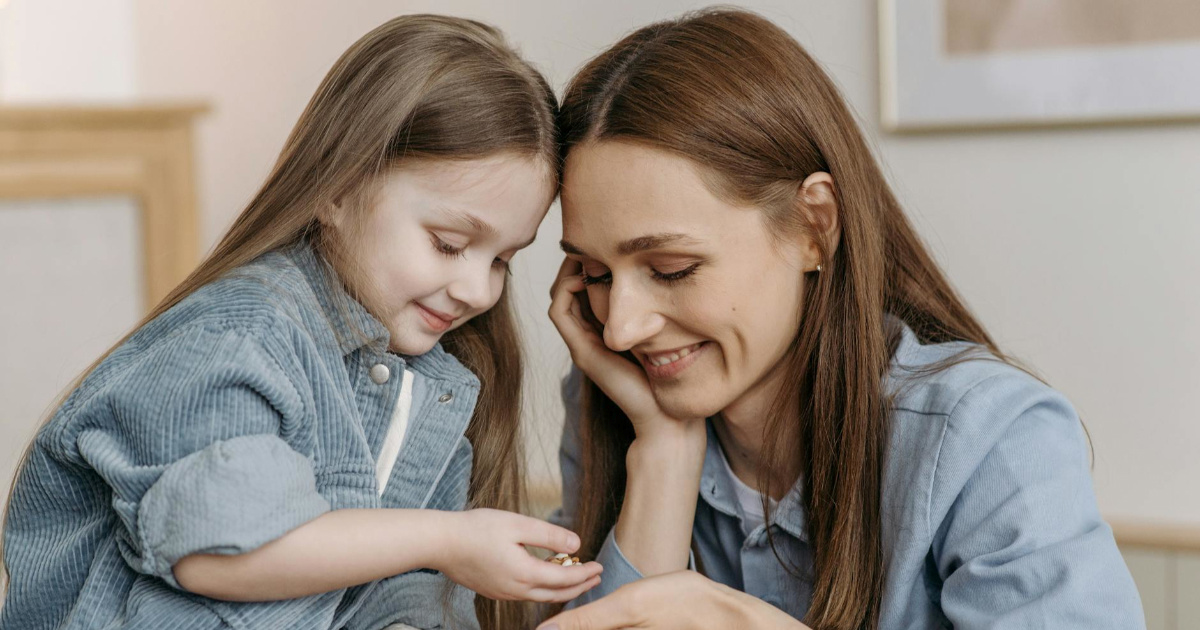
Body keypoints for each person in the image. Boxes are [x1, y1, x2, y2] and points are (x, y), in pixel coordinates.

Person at [542, 9, 1143, 630]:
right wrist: (663, 454)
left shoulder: (986, 437)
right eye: (595, 274)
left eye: (670, 268)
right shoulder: (620, 401)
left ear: (814, 226)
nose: (621, 329)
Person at [1, 15, 599, 630]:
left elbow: (387, 600)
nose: (478, 289)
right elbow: (217, 555)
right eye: (448, 244)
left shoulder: (431, 384)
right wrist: (445, 540)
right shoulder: (240, 338)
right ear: (335, 188)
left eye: (502, 259)